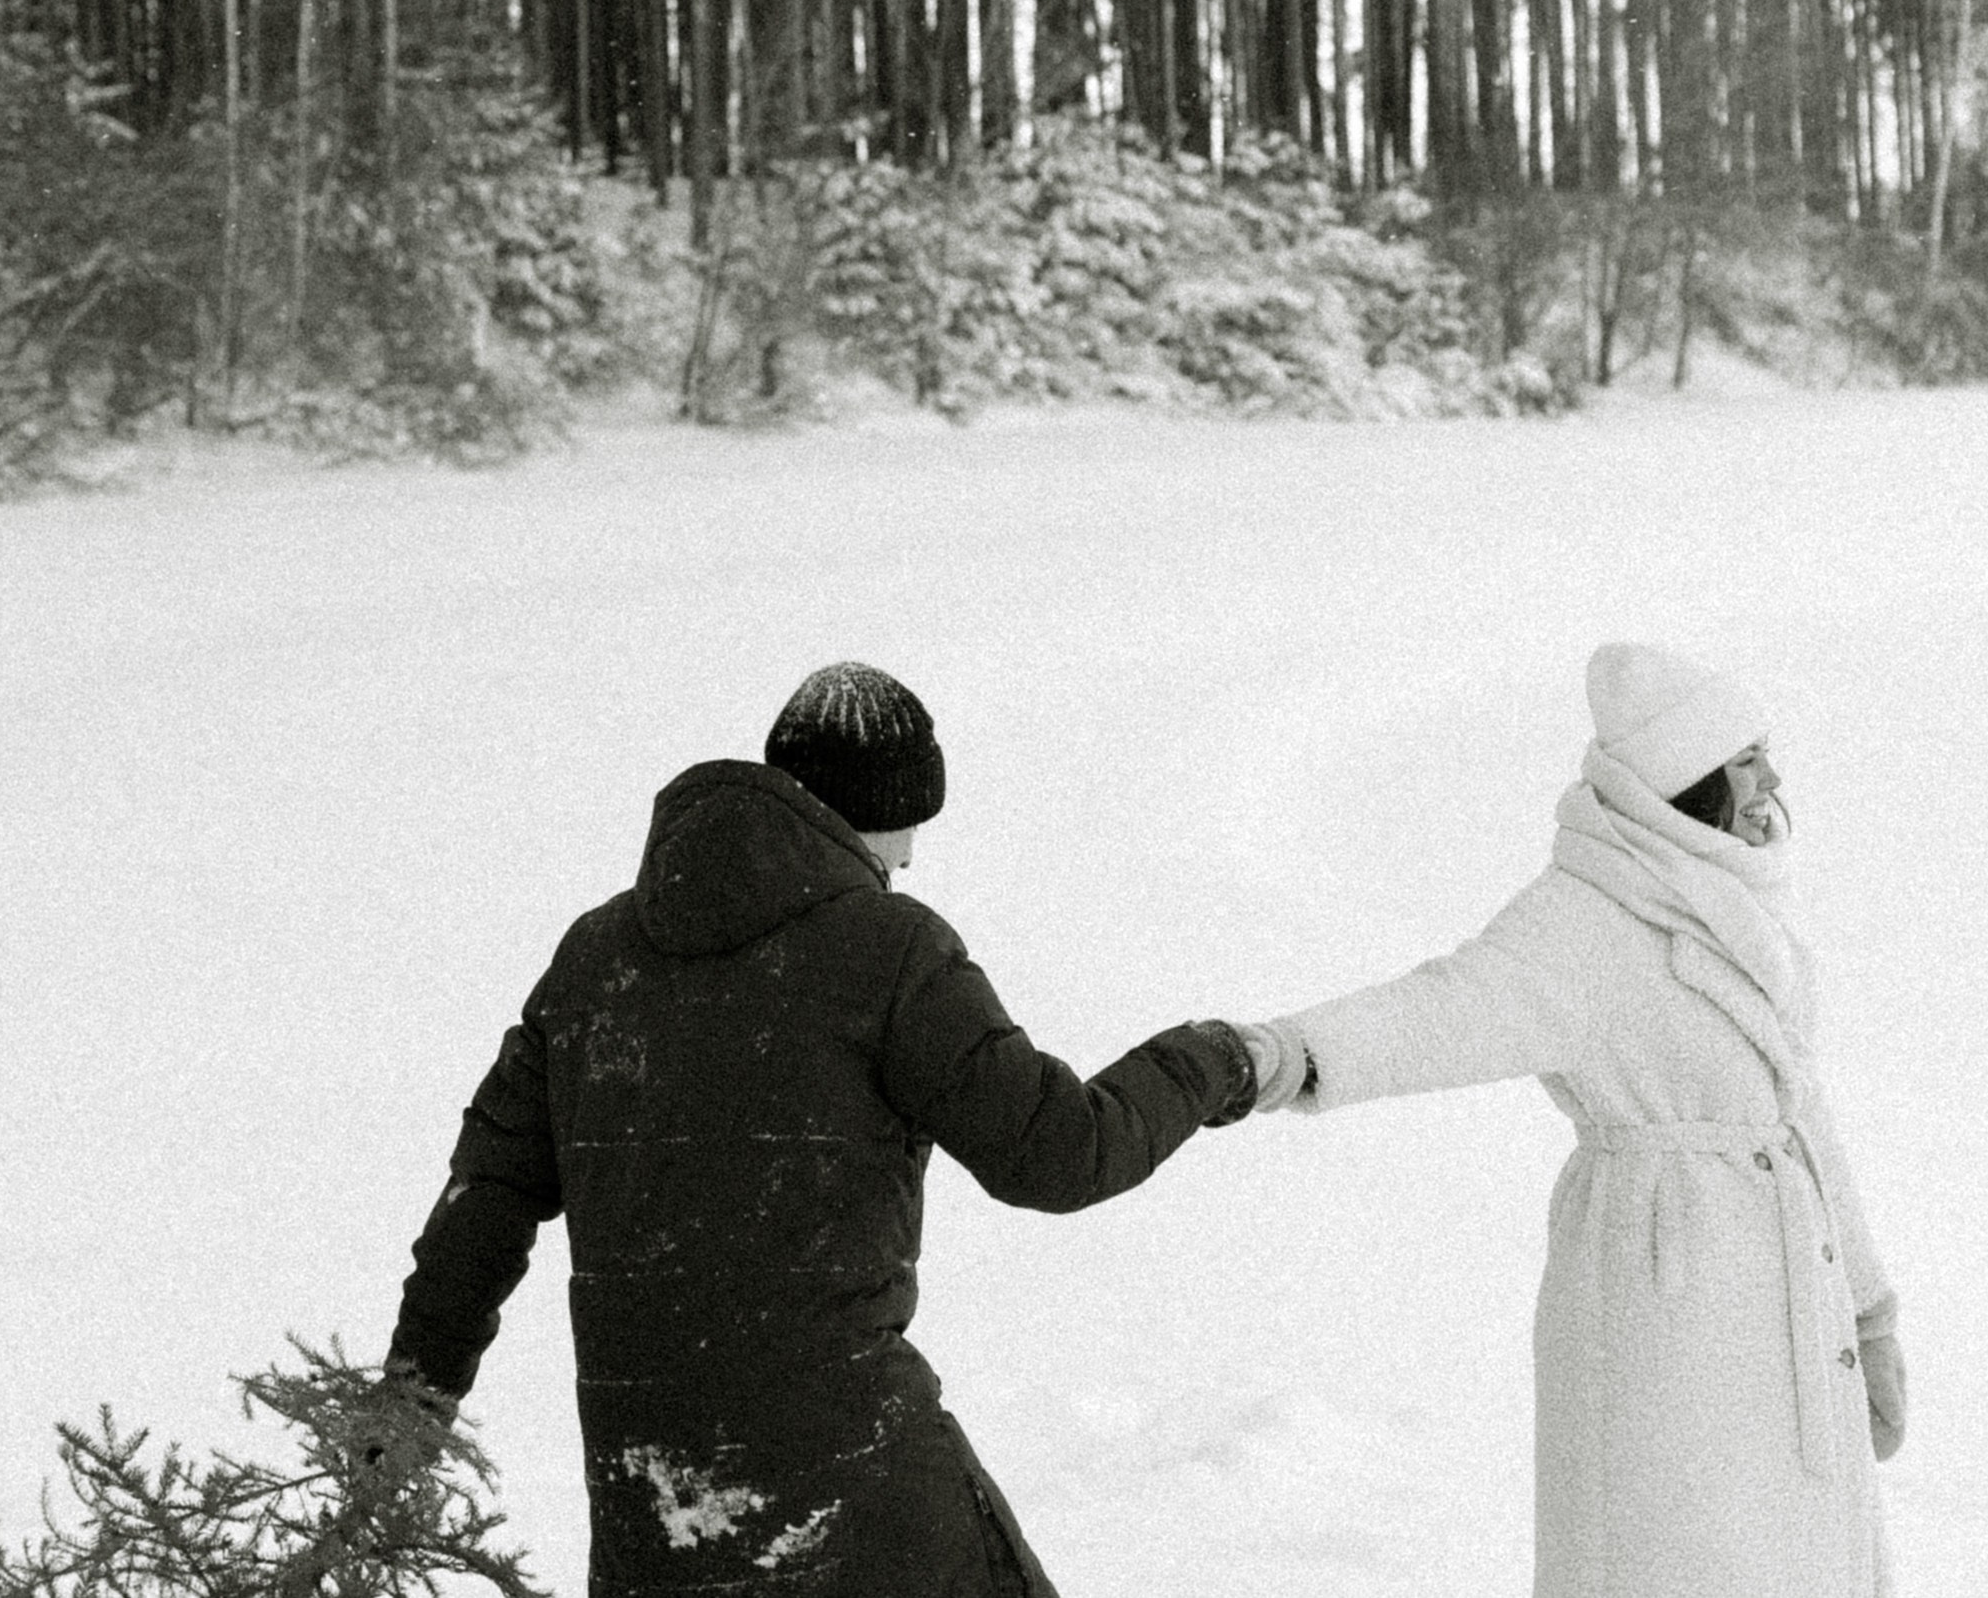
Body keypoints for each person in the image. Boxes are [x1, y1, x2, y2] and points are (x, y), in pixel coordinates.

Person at [382, 658, 1260, 1593]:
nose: (911, 855)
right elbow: (1059, 1152)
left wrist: (402, 1414)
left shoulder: (594, 961)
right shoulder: (888, 948)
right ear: (872, 812)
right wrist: (1213, 1059)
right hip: (858, 1495)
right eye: (909, 825)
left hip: (656, 1510)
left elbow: (481, 1206)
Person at [1243, 641, 1905, 1598]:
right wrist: (1283, 1052)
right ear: (1685, 781)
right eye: (1744, 758)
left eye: (1766, 750)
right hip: (1662, 1296)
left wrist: (1869, 1311)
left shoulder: (1737, 902)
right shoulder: (1583, 919)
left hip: (1786, 1308)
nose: (1771, 779)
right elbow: (1444, 1008)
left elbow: (1797, 1114)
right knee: (1681, 1557)